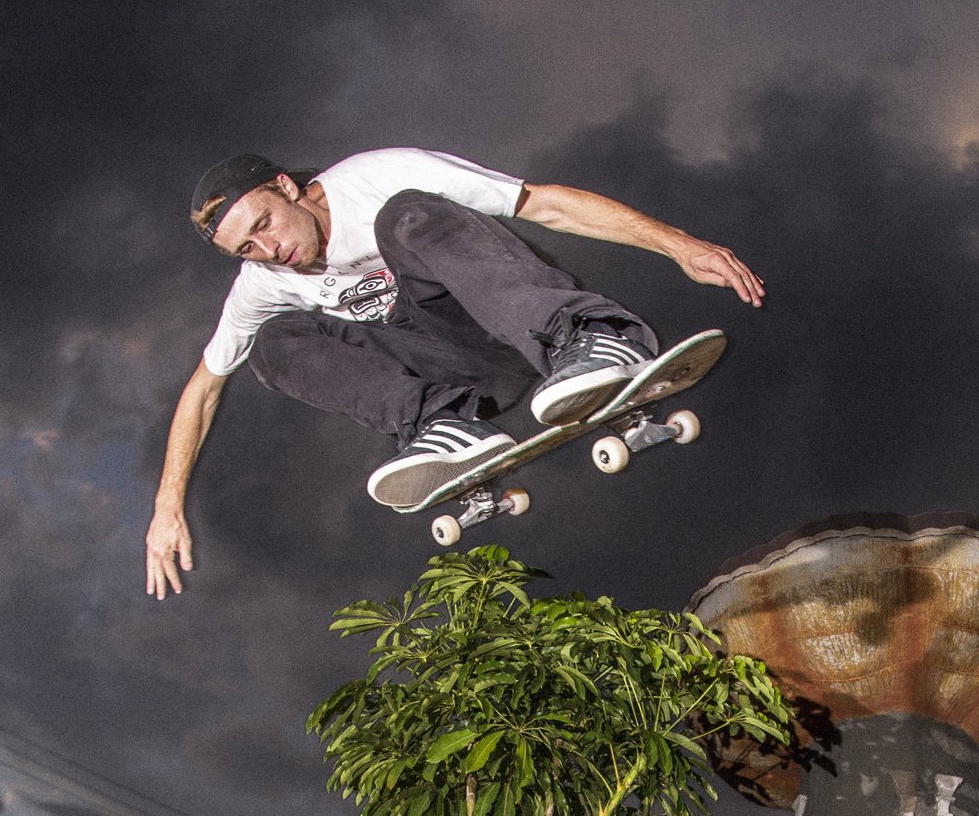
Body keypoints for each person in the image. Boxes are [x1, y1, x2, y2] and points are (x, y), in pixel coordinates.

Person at [144, 148, 766, 597]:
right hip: (458, 378)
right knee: (270, 343)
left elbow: (544, 205)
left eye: (264, 225)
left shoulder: (376, 177)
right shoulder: (262, 283)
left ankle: (593, 338)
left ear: (285, 187)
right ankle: (441, 428)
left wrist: (679, 243)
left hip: (499, 320)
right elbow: (203, 390)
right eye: (246, 250)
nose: (269, 250)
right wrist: (167, 507)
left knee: (406, 217)